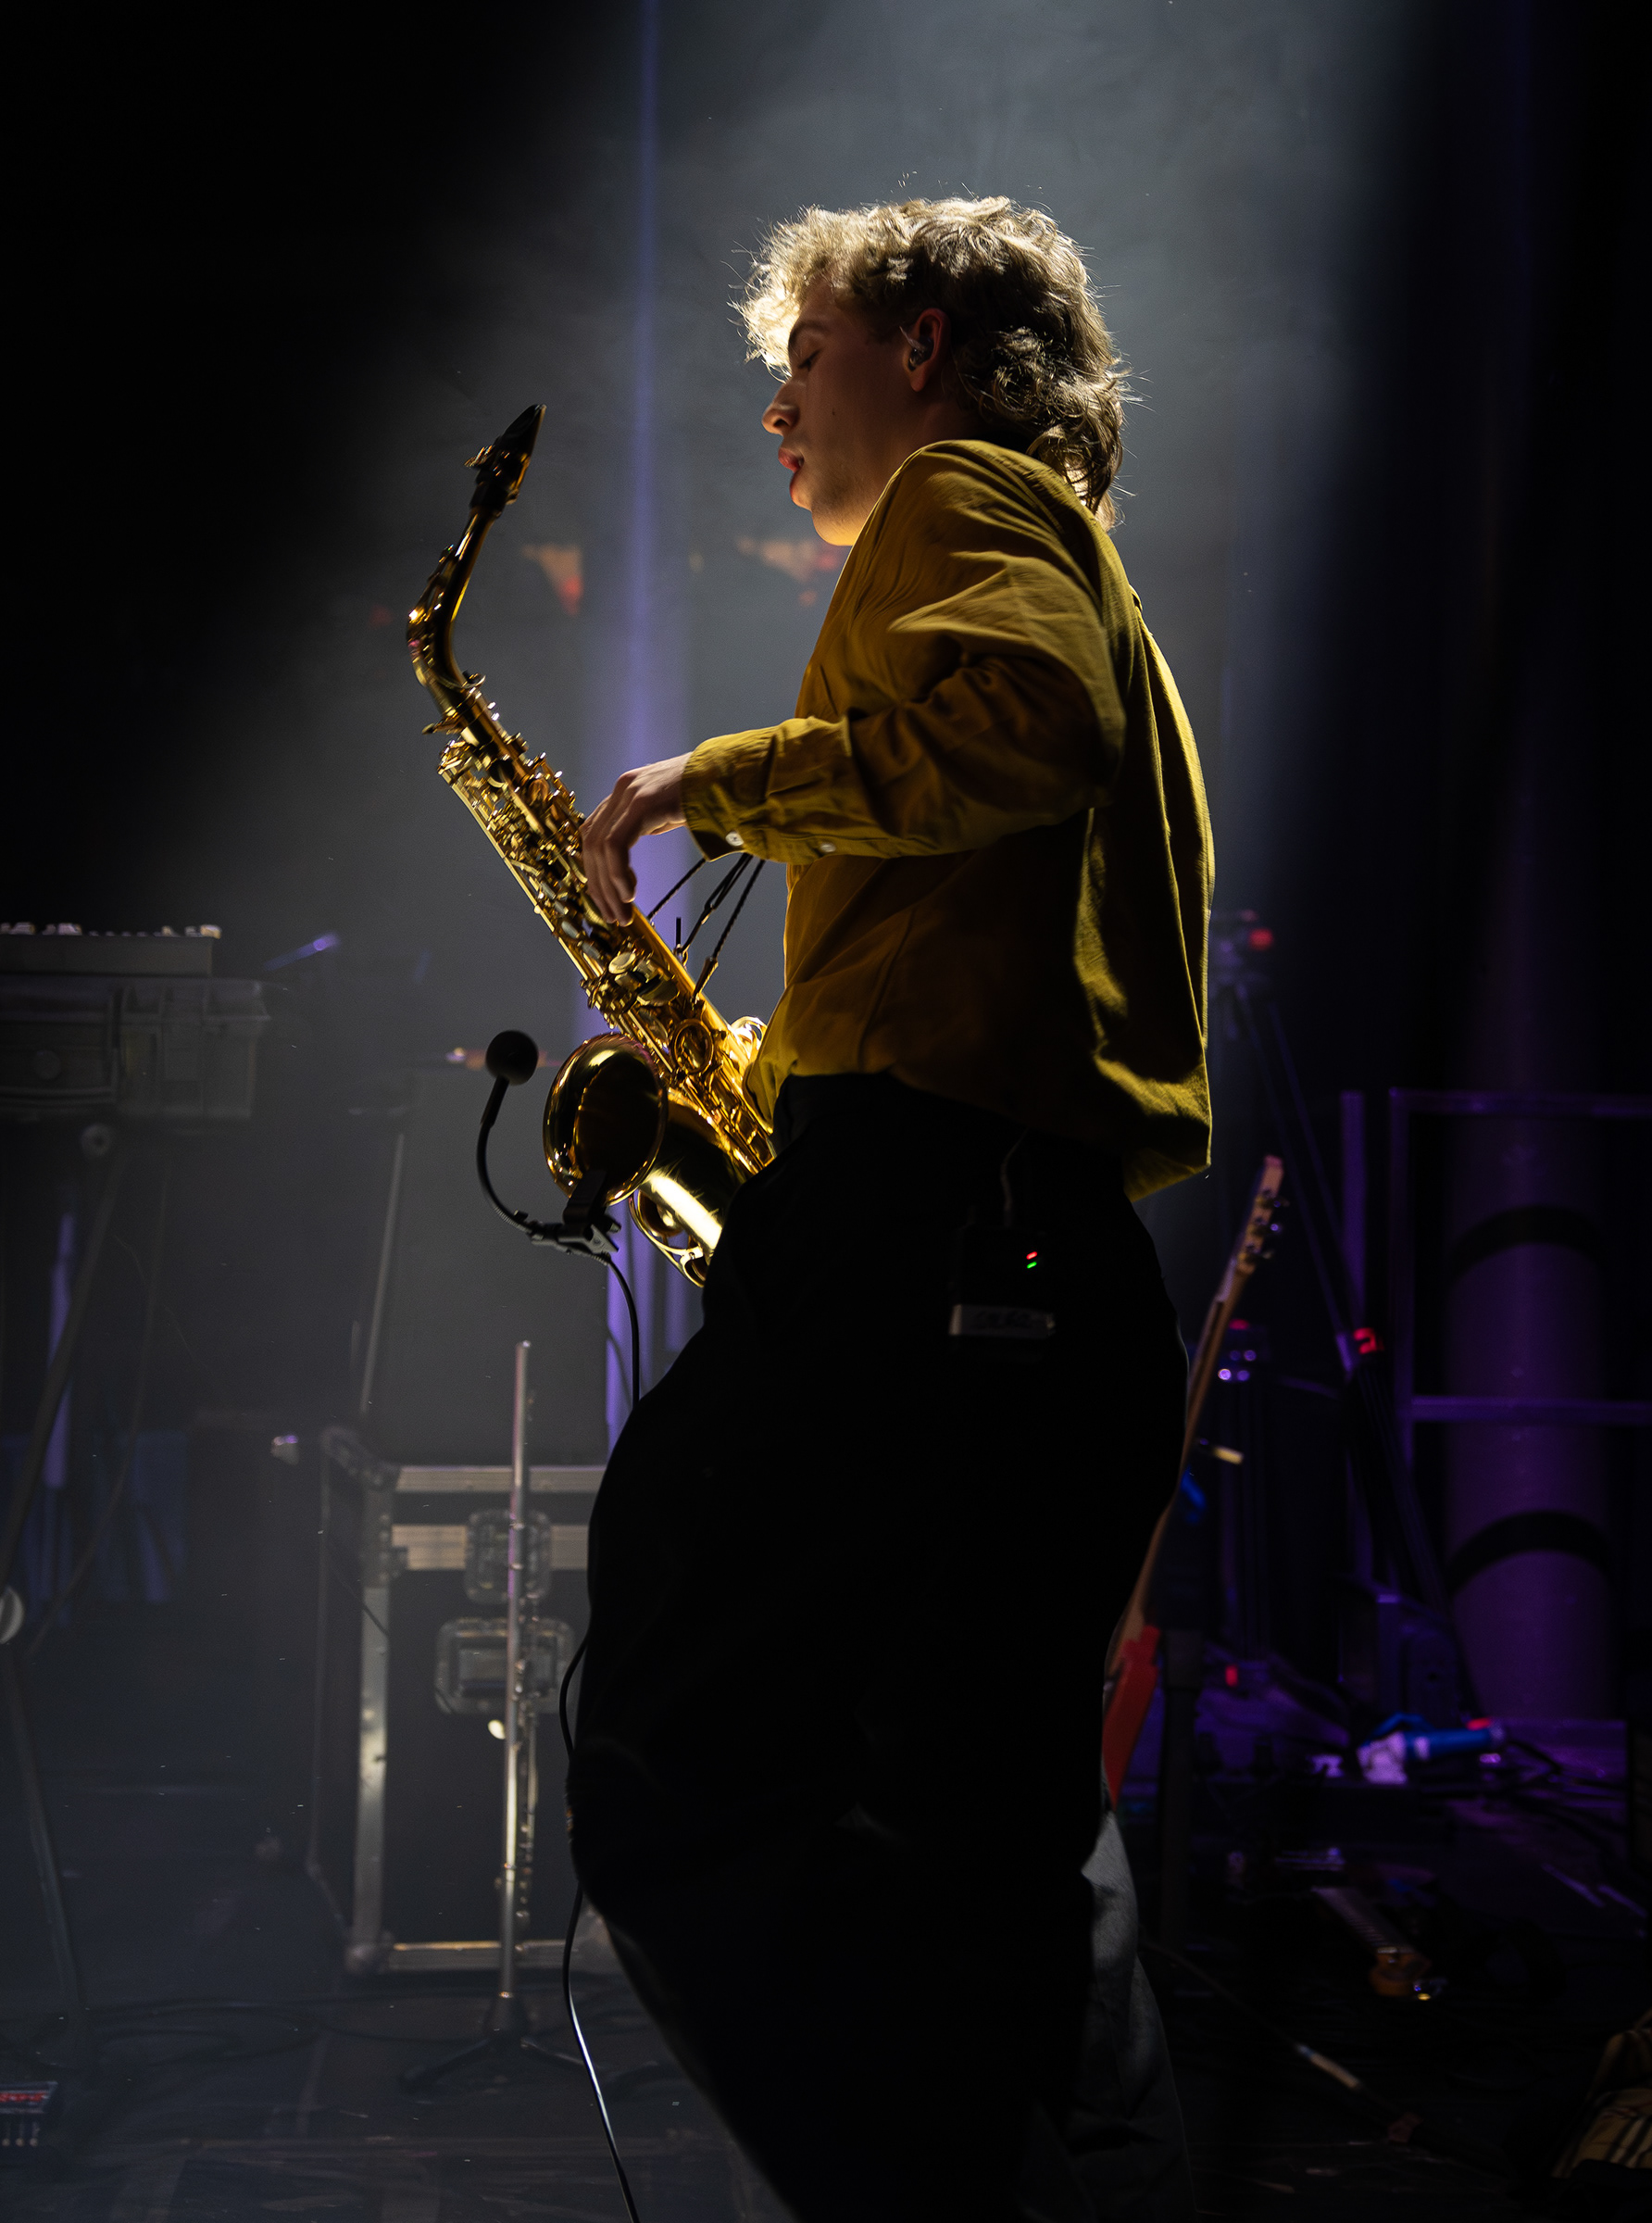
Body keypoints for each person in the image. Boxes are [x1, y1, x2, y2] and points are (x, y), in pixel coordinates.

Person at [569, 196, 1212, 2222]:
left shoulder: (964, 496)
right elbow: (976, 943)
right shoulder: (1060, 544)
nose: (779, 411)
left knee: (675, 1750)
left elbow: (1024, 732)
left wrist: (717, 783)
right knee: (1000, 1833)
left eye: (808, 355)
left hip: (925, 1232)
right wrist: (739, 1072)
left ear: (922, 346)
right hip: (1032, 1247)